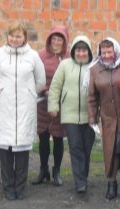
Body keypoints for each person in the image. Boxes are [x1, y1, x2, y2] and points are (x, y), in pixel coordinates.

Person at [0, 22, 46, 200]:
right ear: (7, 36)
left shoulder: (33, 56)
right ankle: (8, 187)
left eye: (19, 36)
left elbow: (40, 81)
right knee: (5, 149)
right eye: (12, 36)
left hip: (24, 107)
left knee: (22, 149)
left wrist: (29, 93)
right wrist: (1, 91)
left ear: (24, 38)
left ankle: (20, 187)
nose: (15, 39)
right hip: (4, 106)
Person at [87, 37, 120, 200]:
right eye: (104, 51)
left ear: (116, 49)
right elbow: (92, 96)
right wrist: (92, 118)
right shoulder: (94, 69)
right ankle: (112, 182)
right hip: (107, 117)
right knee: (111, 150)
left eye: (110, 51)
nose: (107, 55)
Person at [48, 35, 94, 194]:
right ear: (74, 50)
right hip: (70, 114)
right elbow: (55, 86)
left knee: (87, 148)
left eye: (84, 50)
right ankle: (80, 181)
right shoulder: (65, 65)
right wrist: (53, 105)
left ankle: (84, 176)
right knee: (75, 147)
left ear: (89, 51)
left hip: (90, 115)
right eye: (79, 50)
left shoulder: (94, 66)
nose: (81, 53)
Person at [32, 25, 69, 187]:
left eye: (59, 39)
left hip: (61, 105)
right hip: (42, 103)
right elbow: (35, 77)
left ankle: (57, 171)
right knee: (43, 138)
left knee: (58, 138)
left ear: (64, 41)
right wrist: (45, 91)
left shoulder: (69, 57)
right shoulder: (40, 56)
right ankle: (43, 169)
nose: (56, 42)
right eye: (53, 39)